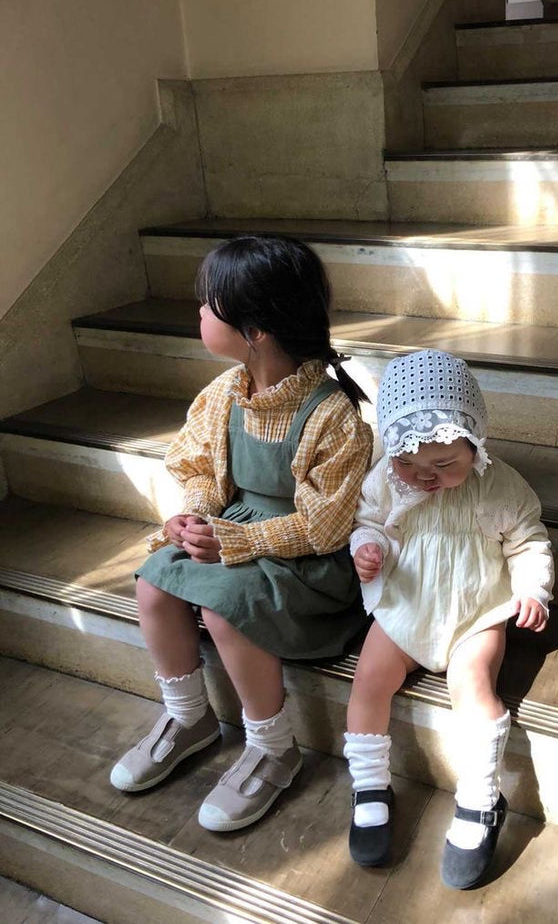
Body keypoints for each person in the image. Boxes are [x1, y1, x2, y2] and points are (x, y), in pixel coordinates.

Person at [110, 234, 373, 832]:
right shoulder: (225, 395)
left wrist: (241, 542)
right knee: (154, 581)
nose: (199, 312)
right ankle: (188, 716)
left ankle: (273, 747)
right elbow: (202, 471)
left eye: (210, 304)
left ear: (254, 330)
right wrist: (196, 516)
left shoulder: (332, 416)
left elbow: (326, 526)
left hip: (306, 559)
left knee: (227, 607)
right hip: (235, 532)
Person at [344, 349, 553, 887]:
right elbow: (369, 522)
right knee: (368, 681)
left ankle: (481, 797)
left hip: (473, 613)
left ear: (474, 444)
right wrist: (367, 547)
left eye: (444, 465)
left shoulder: (501, 486)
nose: (425, 477)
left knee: (474, 684)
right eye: (409, 465)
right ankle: (369, 784)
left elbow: (528, 540)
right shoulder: (384, 480)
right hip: (406, 605)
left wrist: (532, 589)